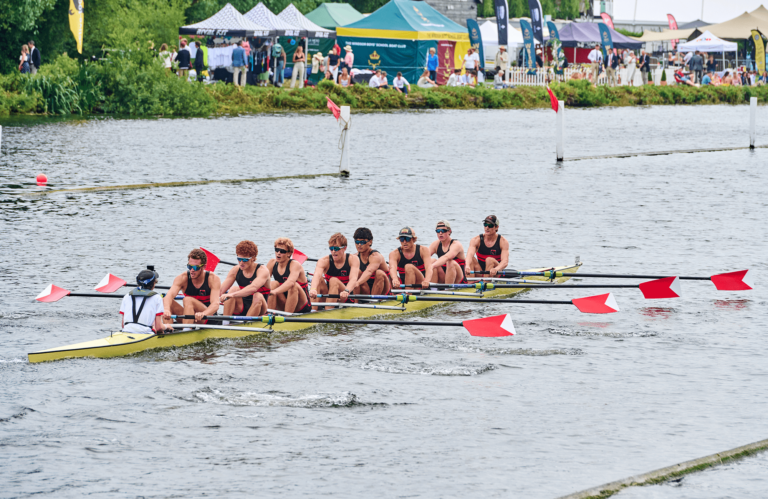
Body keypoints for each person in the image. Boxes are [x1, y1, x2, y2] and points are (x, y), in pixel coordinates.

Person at [163, 248, 222, 325]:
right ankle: (168, 329)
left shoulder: (213, 279)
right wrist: (166, 310)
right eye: (189, 267)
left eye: (195, 267)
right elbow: (169, 296)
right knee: (165, 301)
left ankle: (186, 330)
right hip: (190, 316)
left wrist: (203, 314)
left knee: (187, 300)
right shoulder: (182, 278)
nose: (192, 270)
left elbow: (215, 304)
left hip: (207, 317)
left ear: (204, 267)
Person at [219, 241, 271, 320]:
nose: (241, 262)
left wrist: (232, 295)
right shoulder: (235, 270)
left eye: (245, 260)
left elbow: (253, 288)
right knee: (233, 289)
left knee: (258, 296)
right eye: (239, 259)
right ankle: (225, 322)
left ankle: (246, 323)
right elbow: (220, 291)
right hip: (241, 306)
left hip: (260, 308)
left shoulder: (262, 270)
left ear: (253, 258)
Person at [309, 233, 360, 310]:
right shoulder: (323, 261)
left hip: (346, 297)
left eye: (336, 248)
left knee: (333, 280)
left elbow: (353, 279)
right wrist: (313, 289)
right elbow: (317, 275)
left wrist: (346, 291)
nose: (333, 251)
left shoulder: (353, 259)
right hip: (330, 295)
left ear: (344, 248)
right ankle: (313, 311)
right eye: (331, 248)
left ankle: (328, 312)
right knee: (319, 279)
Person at [120, 267, 173, 335]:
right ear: (153, 283)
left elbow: (123, 325)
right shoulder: (157, 298)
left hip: (126, 332)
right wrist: (167, 326)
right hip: (145, 334)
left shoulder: (127, 296)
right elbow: (159, 328)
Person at [267, 237, 312, 314]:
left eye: (282, 251)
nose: (278, 253)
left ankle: (287, 318)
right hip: (284, 301)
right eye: (276, 250)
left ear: (289, 253)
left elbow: (290, 282)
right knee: (273, 283)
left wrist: (274, 292)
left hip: (302, 305)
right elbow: (262, 281)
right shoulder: (272, 263)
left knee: (293, 285)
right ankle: (269, 315)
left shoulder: (295, 265)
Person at [353, 228, 391, 295]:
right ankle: (356, 300)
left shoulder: (375, 256)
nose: (359, 245)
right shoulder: (354, 257)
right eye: (357, 242)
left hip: (383, 289)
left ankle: (374, 300)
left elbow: (369, 271)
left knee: (379, 273)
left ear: (370, 242)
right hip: (366, 288)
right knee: (356, 272)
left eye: (362, 242)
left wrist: (357, 283)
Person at [429, 220, 467, 284]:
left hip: (459, 280)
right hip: (444, 278)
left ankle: (448, 289)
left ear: (449, 231)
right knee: (432, 260)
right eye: (438, 231)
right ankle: (433, 288)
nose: (440, 233)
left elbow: (446, 257)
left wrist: (432, 266)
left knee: (450, 262)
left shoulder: (456, 244)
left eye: (443, 231)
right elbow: (424, 257)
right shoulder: (435, 244)